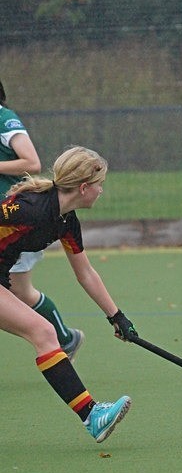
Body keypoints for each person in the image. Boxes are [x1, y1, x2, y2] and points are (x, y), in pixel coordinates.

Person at [0, 145, 138, 441]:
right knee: (44, 332)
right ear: (84, 187)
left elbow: (85, 272)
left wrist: (117, 316)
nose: (101, 191)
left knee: (43, 333)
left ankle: (92, 417)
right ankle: (92, 416)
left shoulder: (64, 221)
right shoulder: (30, 209)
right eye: (100, 185)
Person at [0, 78, 84, 360]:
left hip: (15, 221)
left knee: (20, 293)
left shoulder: (5, 119)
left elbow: (32, 163)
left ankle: (63, 339)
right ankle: (60, 338)